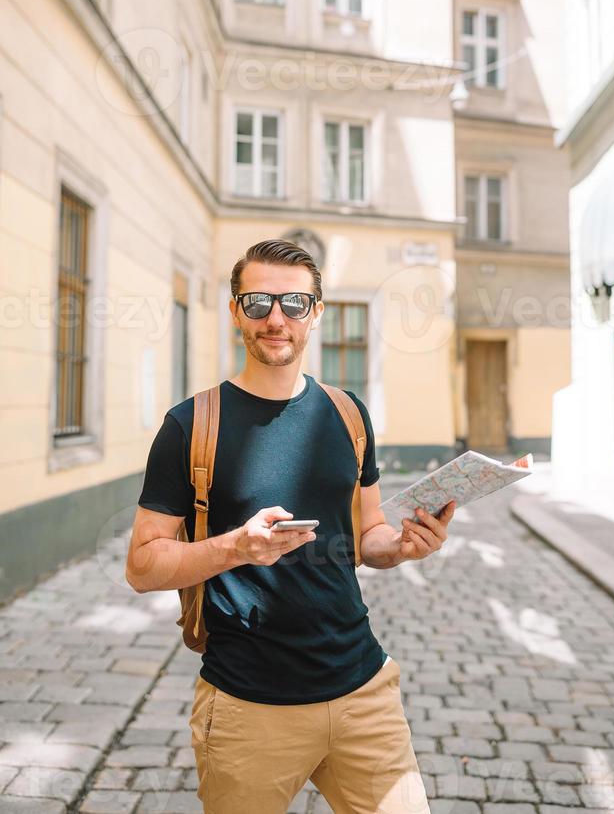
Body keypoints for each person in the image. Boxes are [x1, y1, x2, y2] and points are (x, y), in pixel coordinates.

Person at [125, 238, 455, 814]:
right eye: (257, 303)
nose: (275, 318)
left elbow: (367, 535)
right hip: (249, 706)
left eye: (293, 304)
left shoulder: (348, 413)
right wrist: (235, 547)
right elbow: (143, 565)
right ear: (235, 311)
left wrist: (402, 547)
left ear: (316, 313)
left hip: (362, 690)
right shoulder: (190, 425)